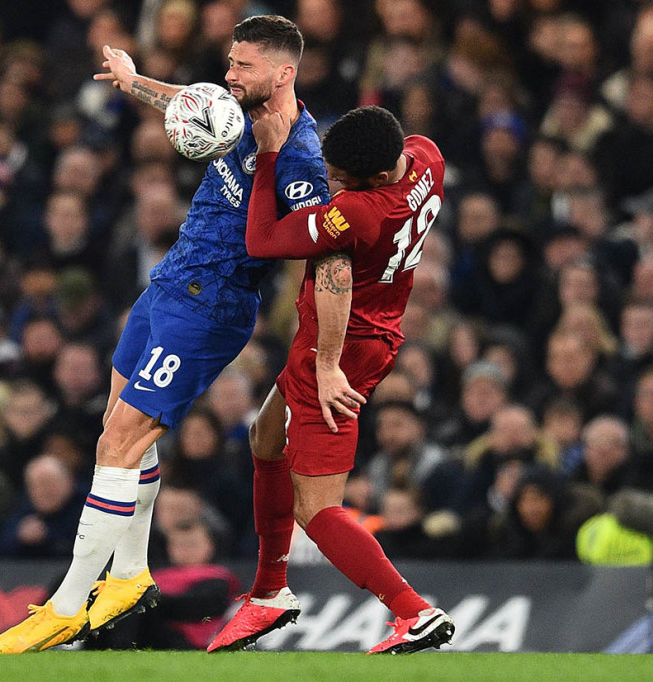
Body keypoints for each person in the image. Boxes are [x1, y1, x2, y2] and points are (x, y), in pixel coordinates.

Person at [0, 15, 329, 654]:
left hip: (209, 310)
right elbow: (191, 103)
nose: (229, 75)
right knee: (116, 431)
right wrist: (132, 80)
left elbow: (315, 238)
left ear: (283, 74)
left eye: (243, 65)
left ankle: (67, 605)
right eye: (229, 61)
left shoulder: (301, 154)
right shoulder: (234, 111)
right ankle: (129, 573)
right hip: (167, 288)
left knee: (122, 439)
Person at [207, 105, 454, 655]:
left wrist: (270, 156)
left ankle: (414, 612)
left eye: (340, 175)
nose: (333, 181)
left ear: (371, 179)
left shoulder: (359, 213)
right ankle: (269, 589)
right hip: (378, 330)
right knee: (266, 436)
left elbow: (265, 240)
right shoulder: (427, 158)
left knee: (316, 508)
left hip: (337, 348)